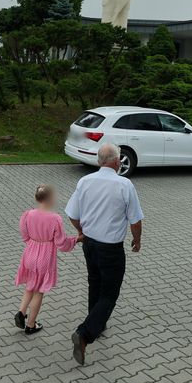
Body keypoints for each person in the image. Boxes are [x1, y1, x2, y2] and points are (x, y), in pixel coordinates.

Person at [65, 144, 144, 365]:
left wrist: (81, 230)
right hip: (111, 248)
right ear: (117, 162)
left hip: (89, 244)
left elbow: (72, 214)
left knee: (95, 282)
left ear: (100, 161)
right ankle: (85, 333)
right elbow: (135, 219)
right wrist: (137, 240)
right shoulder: (124, 184)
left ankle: (97, 324)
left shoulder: (85, 181)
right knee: (110, 293)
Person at [14, 185, 81, 335]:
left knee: (30, 286)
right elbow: (61, 243)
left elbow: (24, 235)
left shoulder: (28, 214)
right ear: (50, 199)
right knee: (39, 291)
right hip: (44, 258)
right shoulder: (55, 218)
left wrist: (33, 243)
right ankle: (31, 325)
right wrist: (76, 239)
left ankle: (21, 312)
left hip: (29, 254)